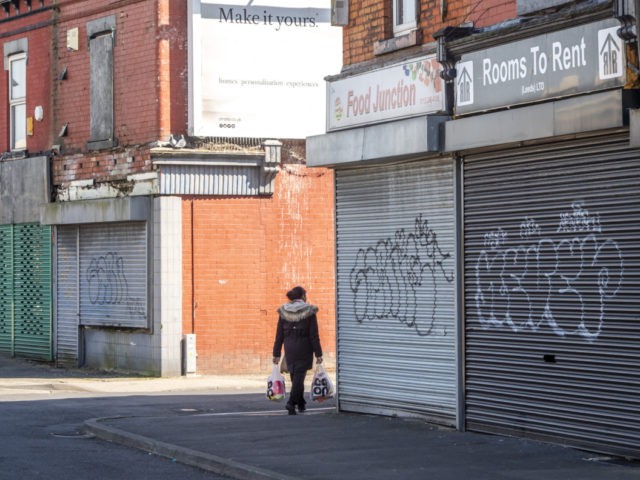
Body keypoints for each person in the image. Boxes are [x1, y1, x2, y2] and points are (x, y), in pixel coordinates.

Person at [272, 286, 323, 415]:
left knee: (295, 375)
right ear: (302, 296)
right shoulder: (309, 311)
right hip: (304, 347)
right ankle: (291, 403)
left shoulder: (284, 311)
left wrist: (276, 353)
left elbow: (279, 335)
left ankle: (300, 403)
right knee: (299, 377)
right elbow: (314, 335)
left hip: (289, 348)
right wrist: (318, 354)